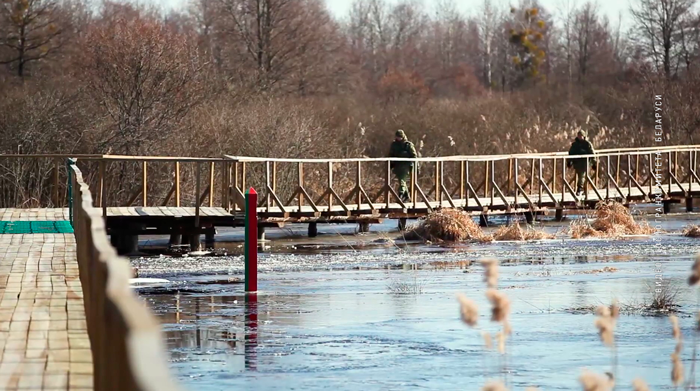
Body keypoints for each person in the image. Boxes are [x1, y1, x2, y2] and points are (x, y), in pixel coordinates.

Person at [389, 129, 417, 202]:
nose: (399, 138)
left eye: (400, 137)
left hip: (406, 166)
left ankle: (401, 193)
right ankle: (407, 195)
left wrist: (415, 165)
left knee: (402, 180)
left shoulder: (408, 145)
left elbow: (414, 155)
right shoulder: (394, 145)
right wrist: (390, 164)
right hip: (397, 165)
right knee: (401, 180)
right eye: (398, 137)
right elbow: (391, 154)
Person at [567, 130, 597, 196]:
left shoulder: (587, 144)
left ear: (584, 136)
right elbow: (571, 153)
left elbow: (592, 153)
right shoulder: (575, 145)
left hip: (585, 163)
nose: (580, 137)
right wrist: (569, 161)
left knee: (582, 176)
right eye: (579, 136)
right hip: (577, 162)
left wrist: (594, 163)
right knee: (581, 176)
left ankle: (580, 189)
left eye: (581, 136)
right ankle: (584, 189)